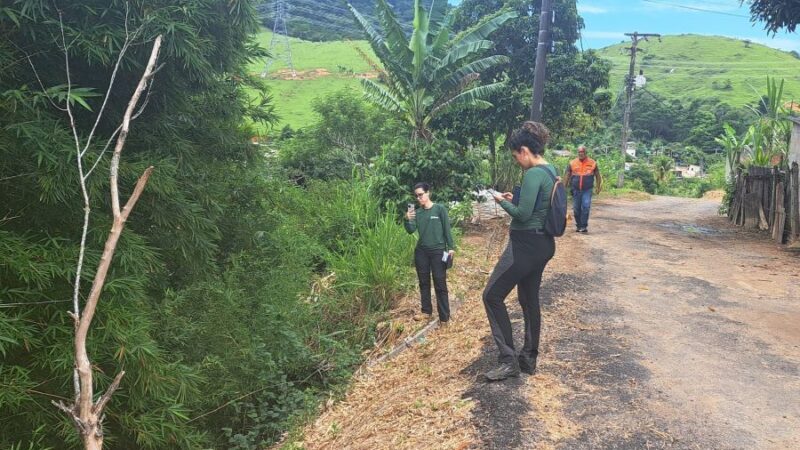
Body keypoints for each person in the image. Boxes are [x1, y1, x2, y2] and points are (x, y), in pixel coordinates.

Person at [483, 121, 557, 381]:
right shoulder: (551, 171)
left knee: (491, 296)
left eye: (516, 156)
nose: (517, 162)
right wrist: (516, 199)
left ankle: (507, 360)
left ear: (524, 150)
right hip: (543, 244)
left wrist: (502, 202)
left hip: (524, 244)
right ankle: (528, 357)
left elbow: (523, 215)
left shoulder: (533, 174)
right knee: (528, 300)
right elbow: (537, 207)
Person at [404, 182, 455, 323]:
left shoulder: (439, 209)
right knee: (423, 282)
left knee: (440, 283)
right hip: (422, 252)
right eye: (416, 196)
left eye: (421, 194)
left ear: (428, 193)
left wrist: (451, 247)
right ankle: (426, 311)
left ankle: (444, 317)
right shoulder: (417, 212)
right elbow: (410, 230)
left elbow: (447, 230)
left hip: (438, 251)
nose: (418, 198)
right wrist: (407, 219)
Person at [564, 145, 602, 233]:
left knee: (586, 206)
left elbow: (598, 175)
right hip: (576, 190)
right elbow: (567, 176)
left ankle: (584, 226)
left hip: (587, 190)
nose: (581, 154)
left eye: (582, 152)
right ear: (578, 153)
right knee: (576, 209)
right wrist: (563, 188)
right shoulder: (572, 163)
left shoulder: (593, 163)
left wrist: (598, 186)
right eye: (579, 152)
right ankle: (579, 225)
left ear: (585, 153)